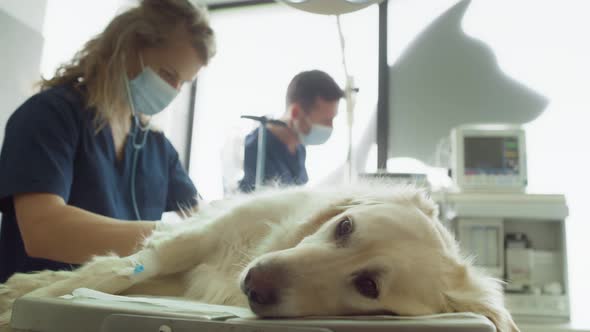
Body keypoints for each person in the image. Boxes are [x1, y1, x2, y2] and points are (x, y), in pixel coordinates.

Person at [0, 0, 215, 283]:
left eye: (182, 84)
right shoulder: (49, 115)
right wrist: (169, 237)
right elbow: (43, 230)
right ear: (126, 49)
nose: (172, 91)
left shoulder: (157, 149)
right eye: (167, 75)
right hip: (32, 308)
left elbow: (204, 222)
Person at [238, 70, 343, 193]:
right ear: (295, 113)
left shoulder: (299, 146)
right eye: (325, 120)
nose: (330, 127)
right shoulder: (257, 148)